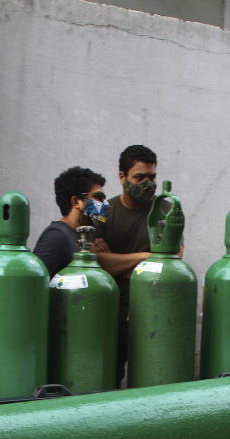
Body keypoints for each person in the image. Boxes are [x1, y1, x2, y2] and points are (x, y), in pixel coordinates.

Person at [91, 145, 158, 384]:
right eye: (139, 177)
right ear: (122, 177)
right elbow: (98, 264)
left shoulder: (165, 211)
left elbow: (171, 264)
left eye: (152, 177)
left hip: (152, 316)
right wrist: (149, 256)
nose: (147, 184)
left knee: (148, 384)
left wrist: (116, 261)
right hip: (110, 315)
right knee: (108, 381)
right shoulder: (101, 211)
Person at [33, 166, 107, 278]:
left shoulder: (87, 237)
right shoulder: (56, 236)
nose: (105, 204)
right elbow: (34, 282)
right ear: (77, 201)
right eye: (99, 198)